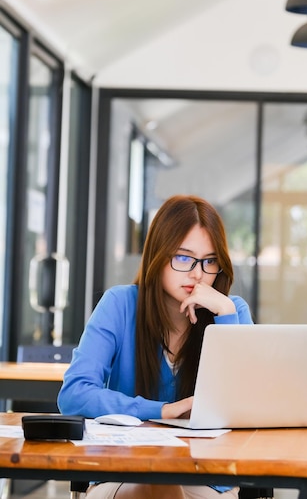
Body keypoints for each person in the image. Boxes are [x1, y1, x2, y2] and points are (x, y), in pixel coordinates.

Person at [58, 194, 253, 499]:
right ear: (158, 256)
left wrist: (225, 317)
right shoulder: (120, 304)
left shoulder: (231, 311)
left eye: (209, 261)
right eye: (183, 257)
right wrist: (162, 410)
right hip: (123, 473)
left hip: (206, 479)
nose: (198, 273)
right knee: (157, 483)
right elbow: (74, 395)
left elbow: (247, 409)